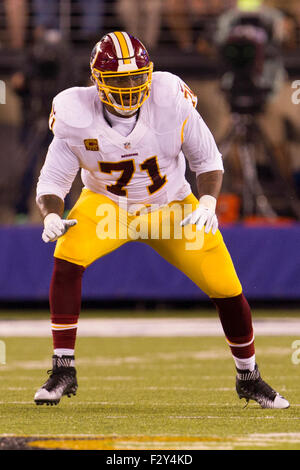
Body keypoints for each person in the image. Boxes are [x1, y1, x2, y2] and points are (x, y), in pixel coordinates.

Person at [34, 31, 289, 409]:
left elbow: (208, 160)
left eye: (138, 78)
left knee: (226, 286)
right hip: (107, 205)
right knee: (67, 258)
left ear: (150, 74)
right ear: (96, 81)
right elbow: (52, 180)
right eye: (120, 80)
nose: (131, 87)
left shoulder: (170, 97)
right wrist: (52, 212)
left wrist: (206, 202)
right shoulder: (74, 113)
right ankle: (62, 369)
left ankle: (249, 376)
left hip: (170, 205)